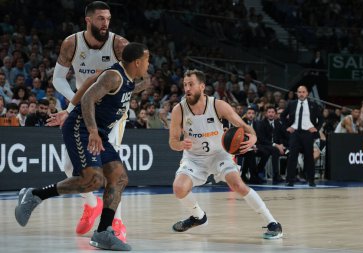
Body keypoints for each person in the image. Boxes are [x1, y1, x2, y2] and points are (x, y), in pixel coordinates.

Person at [15, 42, 150, 251]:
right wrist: (91, 129)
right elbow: (87, 97)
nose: (149, 64)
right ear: (137, 62)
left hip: (100, 131)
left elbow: (92, 81)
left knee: (119, 177)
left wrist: (144, 81)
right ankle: (34, 195)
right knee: (92, 180)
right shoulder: (113, 76)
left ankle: (103, 232)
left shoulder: (130, 78)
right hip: (81, 128)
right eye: (147, 60)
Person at [169, 69, 283, 239]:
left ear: (202, 86)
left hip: (219, 155)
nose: (187, 88)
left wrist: (252, 137)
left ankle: (273, 223)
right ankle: (198, 217)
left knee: (237, 184)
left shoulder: (218, 105)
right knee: (178, 189)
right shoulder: (179, 109)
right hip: (194, 158)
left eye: (191, 84)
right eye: (185, 85)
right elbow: (172, 141)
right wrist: (180, 144)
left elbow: (244, 126)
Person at [51, 1, 129, 241]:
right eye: (100, 19)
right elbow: (58, 79)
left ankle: (115, 221)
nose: (105, 23)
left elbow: (138, 79)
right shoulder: (72, 43)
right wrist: (75, 102)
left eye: (108, 19)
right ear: (88, 20)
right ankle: (91, 204)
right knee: (69, 167)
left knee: (110, 170)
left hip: (110, 114)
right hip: (82, 109)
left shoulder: (119, 44)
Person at [281, 85, 323, 187]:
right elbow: (282, 116)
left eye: (303, 92)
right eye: (299, 92)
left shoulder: (313, 105)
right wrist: (288, 127)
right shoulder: (292, 104)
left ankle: (311, 180)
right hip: (295, 133)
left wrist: (315, 128)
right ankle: (289, 180)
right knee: (292, 157)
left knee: (309, 157)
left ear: (307, 93)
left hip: (308, 133)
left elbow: (321, 119)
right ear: (297, 93)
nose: (301, 94)